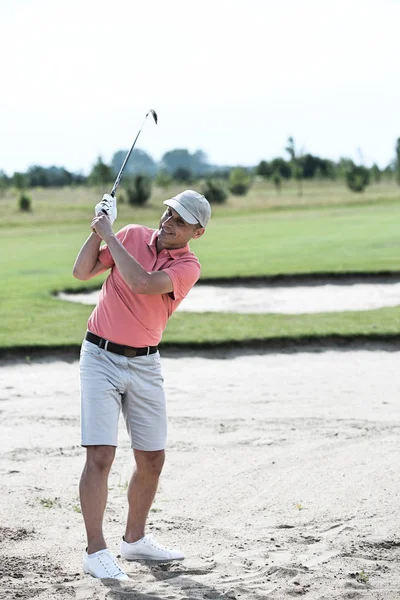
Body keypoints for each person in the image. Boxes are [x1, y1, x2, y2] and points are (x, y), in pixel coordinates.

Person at [72, 189, 211, 581]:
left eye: (180, 221)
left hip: (146, 364)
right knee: (100, 454)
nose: (168, 222)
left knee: (152, 459)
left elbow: (144, 283)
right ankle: (95, 550)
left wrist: (110, 235)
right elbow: (82, 272)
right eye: (168, 213)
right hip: (99, 356)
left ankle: (134, 540)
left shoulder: (188, 266)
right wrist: (98, 231)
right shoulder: (131, 234)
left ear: (196, 233)